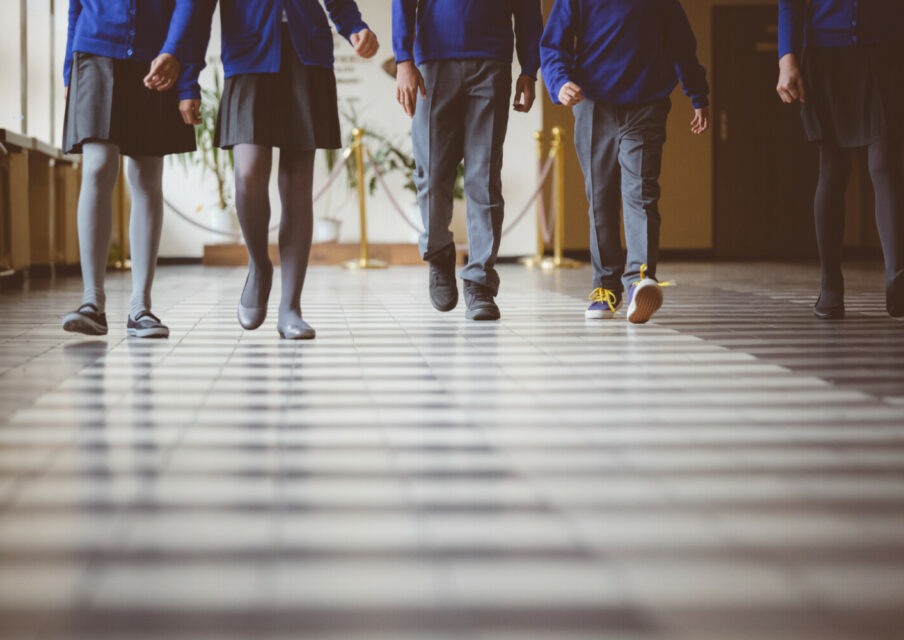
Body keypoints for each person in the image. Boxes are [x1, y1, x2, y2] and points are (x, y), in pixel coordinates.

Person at [193, 0, 379, 339]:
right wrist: (187, 76)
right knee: (247, 175)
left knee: (297, 185)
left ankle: (290, 307)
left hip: (306, 51)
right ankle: (260, 264)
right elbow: (196, 10)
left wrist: (354, 27)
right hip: (249, 52)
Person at [540, 0, 710, 324]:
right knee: (600, 199)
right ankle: (605, 288)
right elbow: (553, 43)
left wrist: (698, 94)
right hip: (592, 103)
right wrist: (558, 81)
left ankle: (639, 281)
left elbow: (681, 42)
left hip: (646, 103)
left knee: (641, 193)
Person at [392, 0, 544, 321]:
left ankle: (480, 282)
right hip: (433, 62)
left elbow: (529, 7)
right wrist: (403, 59)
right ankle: (439, 253)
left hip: (492, 62)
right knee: (431, 174)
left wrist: (530, 68)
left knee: (484, 175)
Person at [61, 0, 203, 338]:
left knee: (146, 175)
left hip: (158, 56)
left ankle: (141, 306)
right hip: (93, 51)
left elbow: (191, 7)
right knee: (97, 165)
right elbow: (75, 7)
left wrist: (186, 78)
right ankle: (91, 303)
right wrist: (69, 72)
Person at [777, 0, 904, 319]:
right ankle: (830, 284)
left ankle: (897, 278)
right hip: (826, 54)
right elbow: (789, 4)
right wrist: (786, 57)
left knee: (885, 161)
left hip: (886, 49)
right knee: (834, 169)